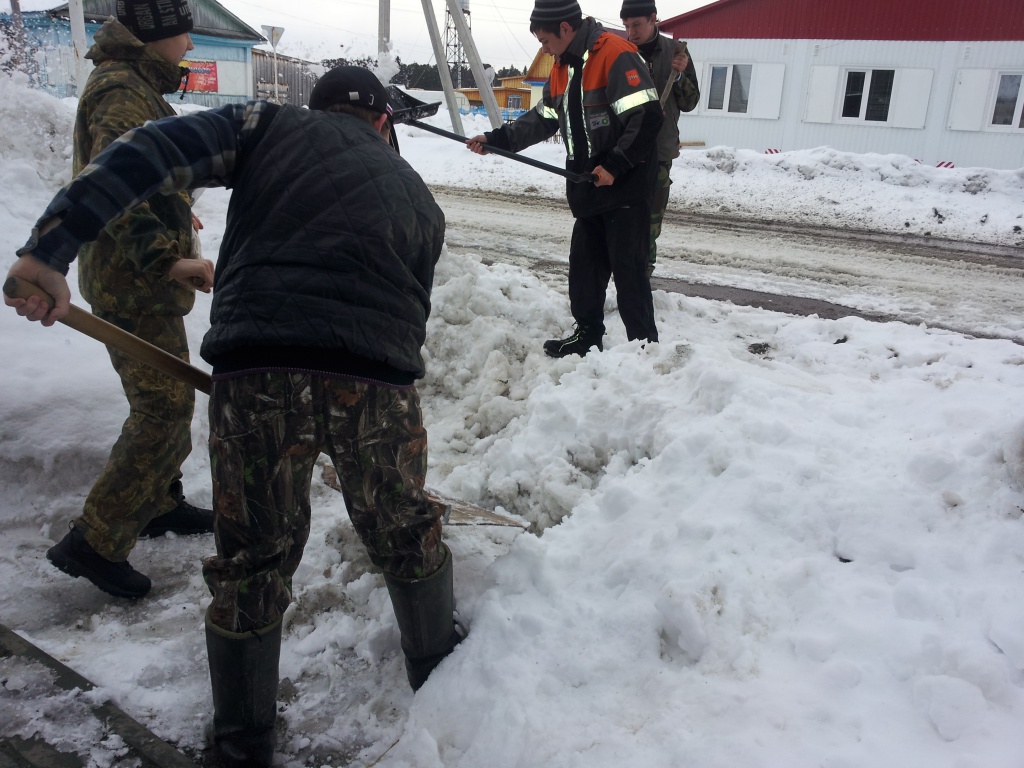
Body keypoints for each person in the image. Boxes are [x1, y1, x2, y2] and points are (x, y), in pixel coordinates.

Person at [4, 66, 457, 767]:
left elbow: (146, 153)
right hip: (377, 380)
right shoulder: (418, 195)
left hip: (258, 366)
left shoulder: (264, 126)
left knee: (253, 557)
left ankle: (242, 743)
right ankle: (446, 680)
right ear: (382, 124)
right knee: (404, 526)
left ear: (320, 108)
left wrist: (48, 250)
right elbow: (412, 312)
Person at [42, 0, 216, 602]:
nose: (189, 46)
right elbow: (115, 184)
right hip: (133, 281)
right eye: (185, 34)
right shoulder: (122, 92)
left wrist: (176, 210)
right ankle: (93, 541)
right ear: (158, 35)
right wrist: (166, 259)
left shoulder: (133, 84)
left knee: (165, 394)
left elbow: (149, 174)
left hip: (138, 281)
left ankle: (158, 504)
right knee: (164, 411)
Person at [467, 0, 663, 358]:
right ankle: (587, 334)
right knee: (585, 269)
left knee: (628, 272)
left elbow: (647, 117)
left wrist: (615, 165)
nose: (543, 48)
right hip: (587, 183)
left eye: (545, 40)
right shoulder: (562, 67)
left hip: (623, 183)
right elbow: (544, 117)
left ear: (565, 29)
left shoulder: (615, 54)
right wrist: (497, 140)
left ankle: (644, 349)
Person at [620, 0, 700, 276]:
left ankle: (643, 272)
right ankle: (621, 269)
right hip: (625, 149)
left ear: (653, 18)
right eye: (626, 26)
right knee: (624, 215)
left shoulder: (675, 53)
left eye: (637, 25)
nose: (631, 32)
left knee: (651, 218)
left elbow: (690, 103)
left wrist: (679, 77)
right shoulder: (621, 52)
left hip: (661, 151)